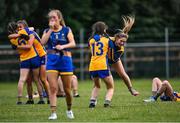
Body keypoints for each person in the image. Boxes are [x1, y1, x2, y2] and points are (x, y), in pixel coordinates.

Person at [41, 9, 76, 120]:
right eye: (50, 18)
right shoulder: (47, 30)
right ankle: (53, 113)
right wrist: (50, 30)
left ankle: (69, 110)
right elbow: (42, 42)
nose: (52, 20)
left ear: (59, 19)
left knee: (67, 90)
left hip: (65, 61)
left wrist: (63, 46)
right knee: (53, 88)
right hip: (51, 61)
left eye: (54, 18)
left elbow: (73, 43)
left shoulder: (66, 30)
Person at [16, 20, 50, 104]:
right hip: (34, 57)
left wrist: (17, 46)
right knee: (29, 80)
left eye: (21, 27)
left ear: (25, 28)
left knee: (42, 79)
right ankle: (31, 99)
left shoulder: (31, 33)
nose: (19, 29)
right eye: (18, 27)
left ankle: (49, 98)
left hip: (42, 55)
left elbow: (29, 44)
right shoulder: (22, 35)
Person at [7, 22, 41, 104]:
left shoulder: (11, 39)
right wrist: (22, 34)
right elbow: (32, 28)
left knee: (22, 80)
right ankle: (42, 99)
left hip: (24, 59)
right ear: (17, 27)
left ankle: (19, 100)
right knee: (37, 79)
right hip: (33, 57)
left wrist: (18, 41)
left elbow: (11, 37)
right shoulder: (23, 31)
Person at [108, 16, 139, 96]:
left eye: (124, 42)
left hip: (113, 58)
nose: (122, 43)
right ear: (116, 37)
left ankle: (131, 89)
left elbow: (112, 59)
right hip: (104, 59)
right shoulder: (109, 40)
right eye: (121, 41)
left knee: (123, 74)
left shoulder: (120, 49)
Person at [88, 21, 115, 108]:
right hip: (102, 65)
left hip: (92, 66)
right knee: (110, 87)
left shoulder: (91, 40)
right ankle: (107, 102)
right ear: (104, 29)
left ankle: (92, 102)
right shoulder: (107, 40)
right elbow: (111, 56)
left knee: (97, 85)